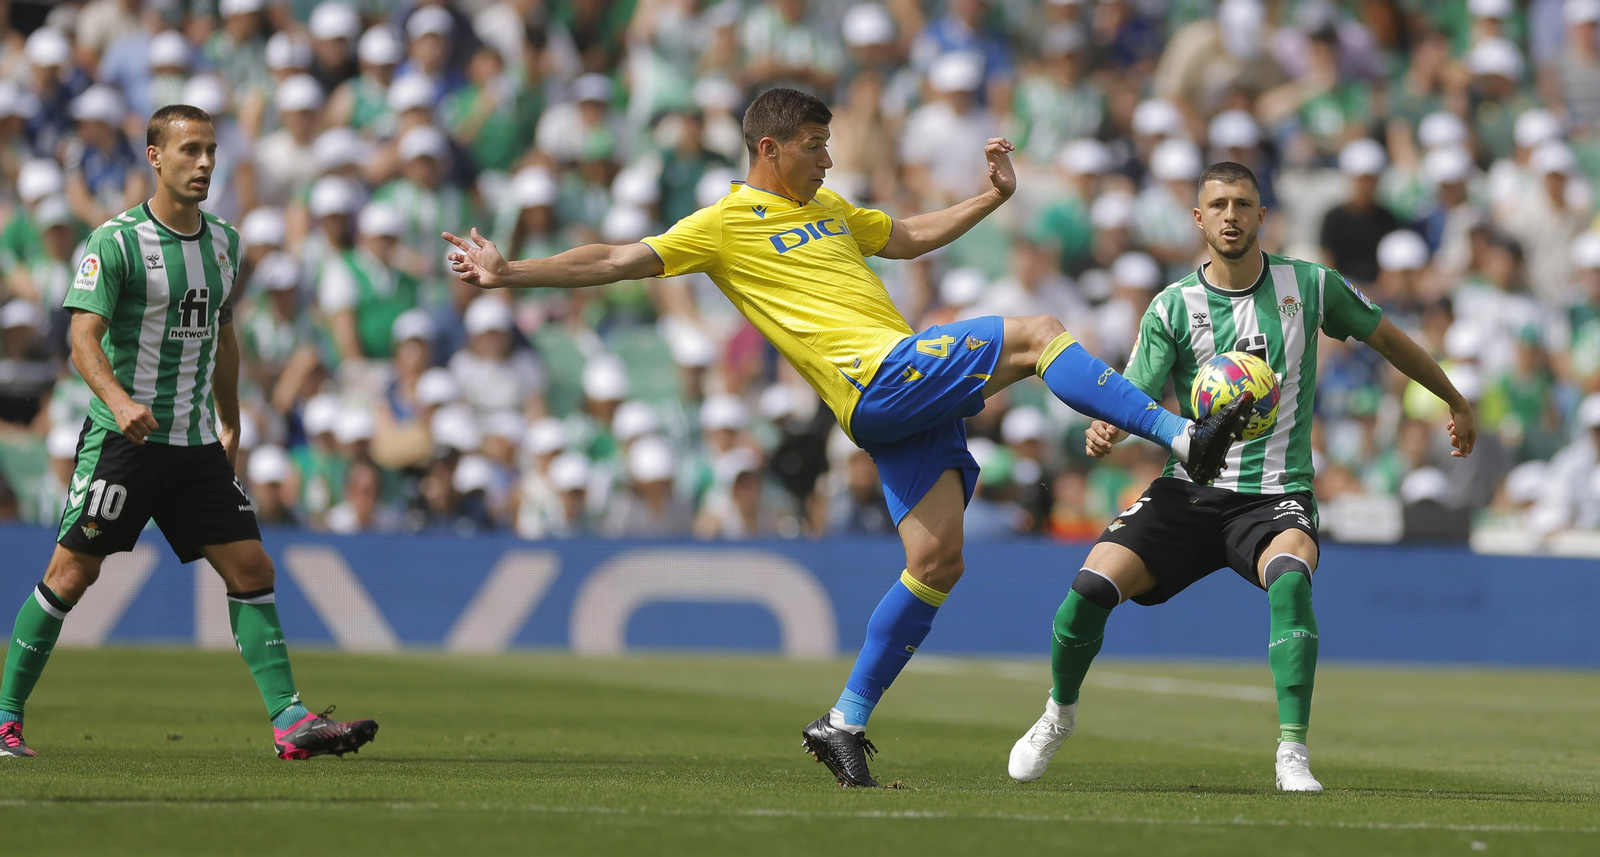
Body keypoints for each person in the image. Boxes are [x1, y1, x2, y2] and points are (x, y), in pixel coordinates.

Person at [442, 87, 1252, 787]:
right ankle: (1186, 437)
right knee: (1039, 331)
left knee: (937, 562)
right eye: (814, 146)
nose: (828, 159)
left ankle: (843, 720)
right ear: (770, 148)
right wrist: (511, 274)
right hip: (876, 377)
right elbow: (619, 257)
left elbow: (903, 236)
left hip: (903, 398)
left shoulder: (828, 210)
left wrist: (991, 199)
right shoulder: (726, 222)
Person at [1005, 161, 1476, 793]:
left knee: (1290, 582)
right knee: (1088, 590)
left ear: (1262, 215)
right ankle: (1058, 713)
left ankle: (1292, 752)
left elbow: (1389, 339)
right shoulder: (1173, 307)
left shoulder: (1309, 287)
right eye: (1219, 204)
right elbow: (1133, 394)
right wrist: (1108, 428)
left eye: (1243, 204)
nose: (1231, 215)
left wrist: (1454, 399)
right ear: (1199, 218)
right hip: (1187, 491)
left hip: (1276, 493)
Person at [0, 104, 376, 760]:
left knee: (251, 564)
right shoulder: (115, 242)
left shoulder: (226, 243)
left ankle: (290, 720)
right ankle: (4, 716)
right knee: (69, 573)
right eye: (189, 151)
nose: (204, 162)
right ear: (154, 156)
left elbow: (223, 335)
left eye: (210, 150)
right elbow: (80, 338)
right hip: (125, 440)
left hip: (196, 441)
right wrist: (117, 400)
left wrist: (230, 414)